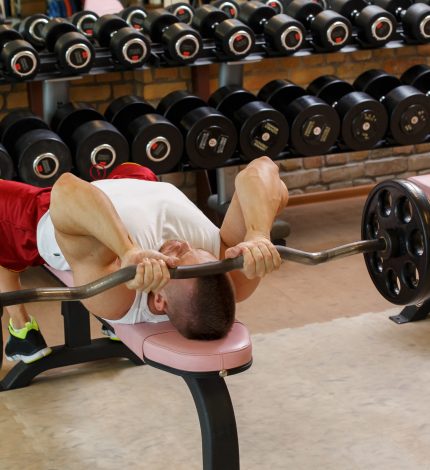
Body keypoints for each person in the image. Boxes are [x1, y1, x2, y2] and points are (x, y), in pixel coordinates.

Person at [1, 157, 288, 364]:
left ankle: (22, 331)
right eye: (206, 254)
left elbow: (66, 188)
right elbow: (263, 168)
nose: (184, 244)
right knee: (131, 165)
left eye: (179, 257)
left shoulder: (116, 297)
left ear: (160, 300)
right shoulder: (231, 277)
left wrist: (127, 250)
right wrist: (259, 234)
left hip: (46, 214)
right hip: (140, 183)